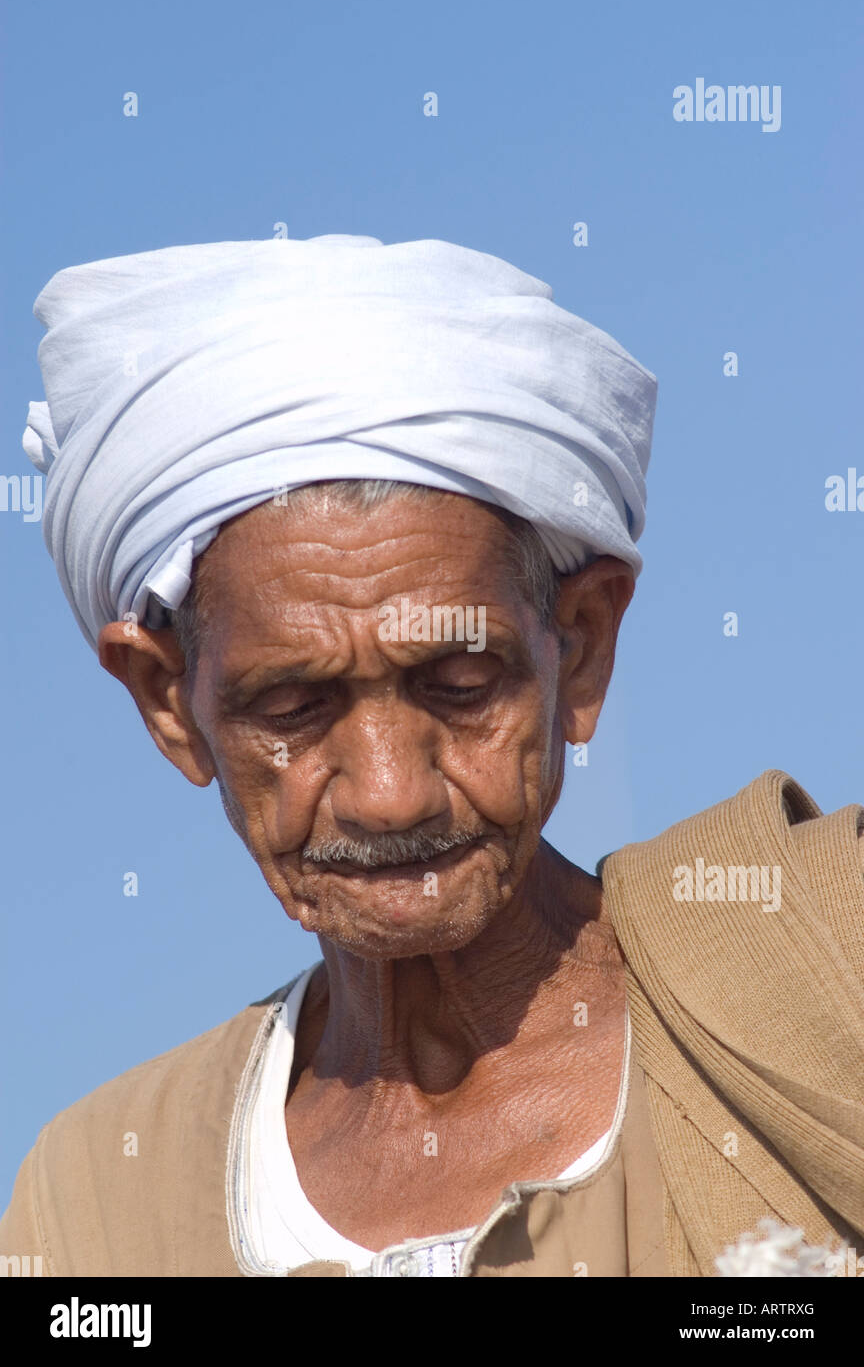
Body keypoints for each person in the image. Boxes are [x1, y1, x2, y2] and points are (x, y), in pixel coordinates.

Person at [2, 235, 862, 1278]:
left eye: (460, 685)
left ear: (579, 647)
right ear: (168, 702)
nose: (389, 791)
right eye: (293, 704)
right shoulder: (97, 1206)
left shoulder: (821, 957)